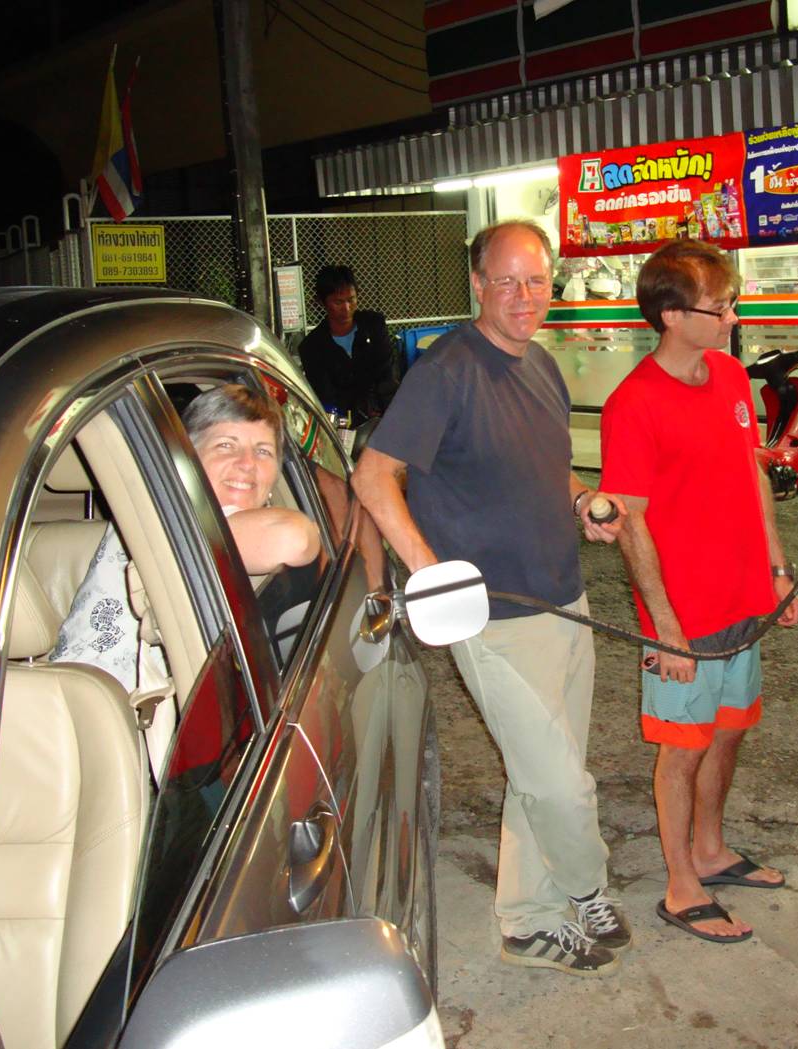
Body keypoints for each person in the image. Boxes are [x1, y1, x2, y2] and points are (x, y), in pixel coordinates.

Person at [352, 219, 631, 977]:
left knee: (544, 769)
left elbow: (548, 468)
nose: (521, 295)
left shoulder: (541, 364)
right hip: (490, 614)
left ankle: (529, 916)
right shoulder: (447, 369)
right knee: (557, 780)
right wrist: (431, 573)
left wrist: (582, 503)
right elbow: (372, 477)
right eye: (504, 281)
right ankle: (584, 886)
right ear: (476, 285)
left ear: (551, 285)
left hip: (563, 598)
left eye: (534, 280)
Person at [599, 240, 798, 944]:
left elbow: (750, 475)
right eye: (719, 309)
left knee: (730, 727)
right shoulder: (632, 404)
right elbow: (629, 518)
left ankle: (711, 851)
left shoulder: (727, 374)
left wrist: (776, 570)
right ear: (670, 315)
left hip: (743, 594)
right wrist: (664, 627)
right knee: (681, 747)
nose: (731, 318)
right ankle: (681, 885)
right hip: (681, 613)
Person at [50, 384, 321, 689]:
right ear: (188, 457)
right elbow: (293, 538)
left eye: (263, 451)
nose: (247, 463)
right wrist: (315, 528)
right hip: (97, 715)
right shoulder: (167, 513)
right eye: (226, 445)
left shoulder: (161, 504)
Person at [297, 264, 399, 424]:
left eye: (351, 300)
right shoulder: (312, 347)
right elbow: (325, 395)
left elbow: (386, 373)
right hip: (344, 424)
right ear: (321, 303)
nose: (346, 308)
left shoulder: (374, 325)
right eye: (338, 302)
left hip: (385, 414)